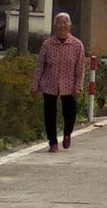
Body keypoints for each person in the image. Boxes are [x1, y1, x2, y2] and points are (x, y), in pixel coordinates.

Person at [32, 12, 85, 153]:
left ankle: (67, 133)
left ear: (69, 25)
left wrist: (78, 86)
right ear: (55, 26)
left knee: (70, 112)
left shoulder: (77, 45)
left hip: (69, 84)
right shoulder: (47, 44)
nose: (62, 26)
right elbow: (40, 66)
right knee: (49, 113)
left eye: (65, 23)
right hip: (50, 83)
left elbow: (80, 68)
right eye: (59, 23)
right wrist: (35, 84)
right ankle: (53, 142)